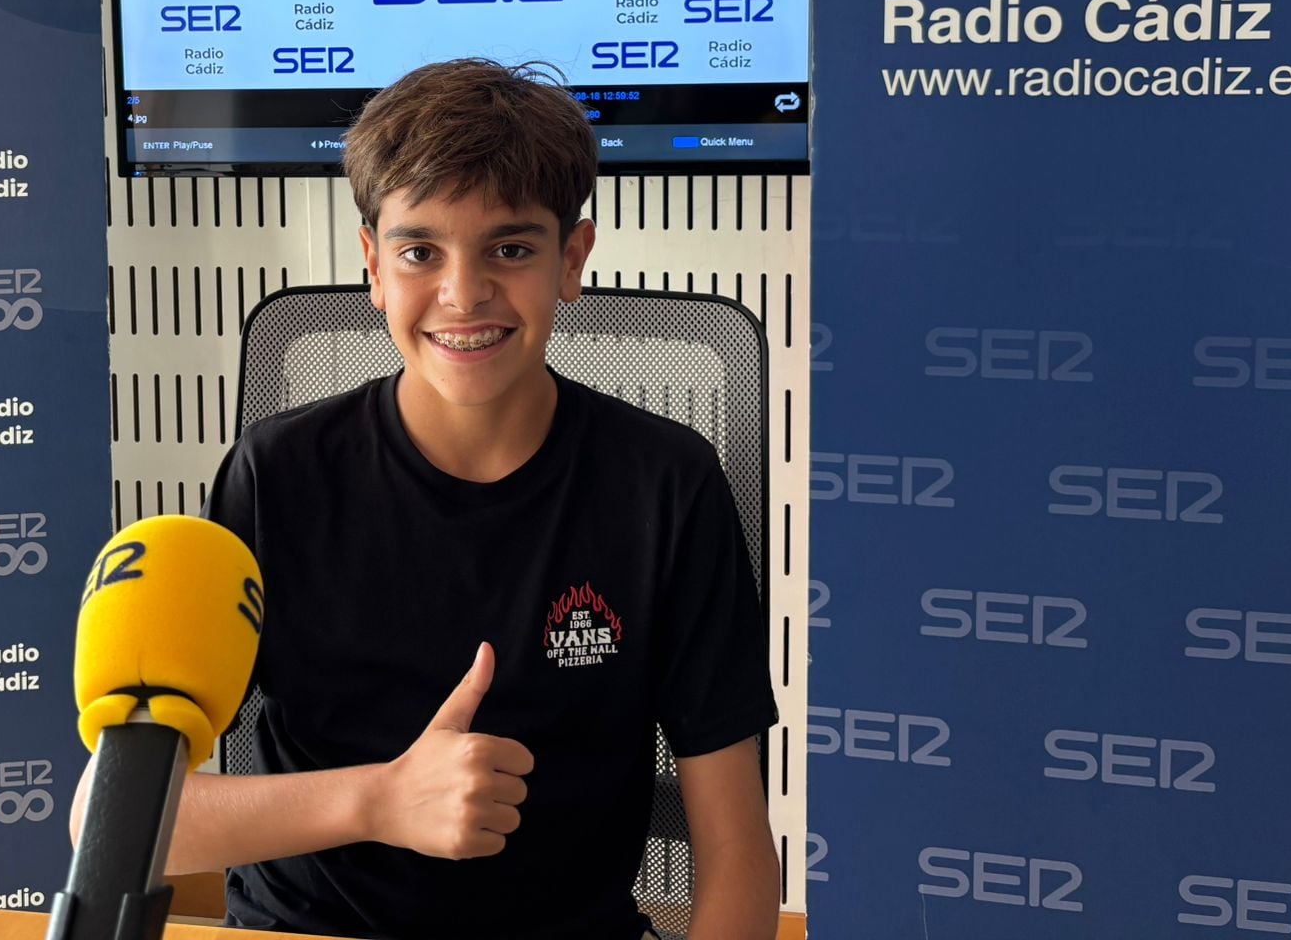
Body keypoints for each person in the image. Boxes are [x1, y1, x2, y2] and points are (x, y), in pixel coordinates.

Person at [77, 59, 779, 939]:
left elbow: (736, 843)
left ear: (572, 259)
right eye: (420, 252)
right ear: (373, 264)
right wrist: (381, 799)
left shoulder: (667, 483)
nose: (463, 293)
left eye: (511, 249)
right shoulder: (277, 473)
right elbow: (110, 822)